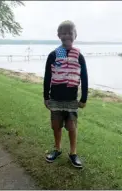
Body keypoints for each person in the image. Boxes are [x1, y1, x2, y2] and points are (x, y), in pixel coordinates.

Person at [43, 20, 88, 168]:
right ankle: (57, 149)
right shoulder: (54, 55)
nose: (67, 35)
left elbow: (84, 77)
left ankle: (73, 153)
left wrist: (83, 98)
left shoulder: (79, 56)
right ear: (58, 35)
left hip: (71, 100)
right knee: (56, 126)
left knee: (72, 126)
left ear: (75, 35)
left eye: (70, 33)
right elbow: (48, 77)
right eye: (63, 33)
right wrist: (46, 97)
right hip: (55, 99)